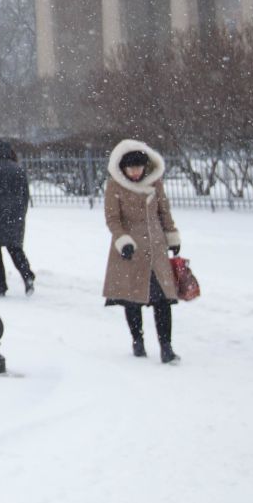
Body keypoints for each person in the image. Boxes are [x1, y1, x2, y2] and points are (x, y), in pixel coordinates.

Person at [102, 140, 183, 364]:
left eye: (139, 167)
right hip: (131, 250)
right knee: (132, 299)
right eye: (131, 168)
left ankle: (166, 347)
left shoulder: (155, 183)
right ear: (123, 169)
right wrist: (123, 240)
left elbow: (164, 210)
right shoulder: (115, 186)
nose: (135, 172)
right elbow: (112, 218)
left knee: (163, 301)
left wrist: (172, 235)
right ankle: (137, 340)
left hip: (156, 249)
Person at [0, 139, 35, 295]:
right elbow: (25, 195)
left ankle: (0, 285)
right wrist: (21, 213)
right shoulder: (18, 169)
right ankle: (27, 276)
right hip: (15, 215)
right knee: (15, 249)